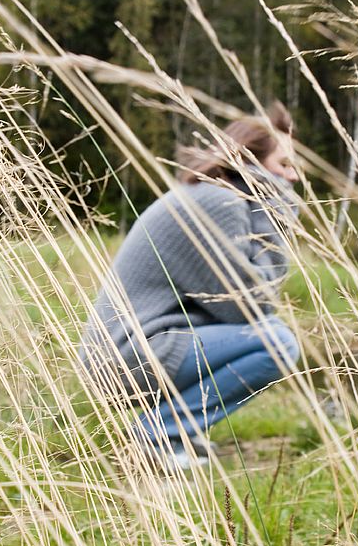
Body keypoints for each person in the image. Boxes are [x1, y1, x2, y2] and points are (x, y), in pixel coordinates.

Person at [78, 102, 302, 470]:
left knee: (273, 334)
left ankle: (172, 434)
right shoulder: (218, 202)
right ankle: (154, 437)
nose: (292, 179)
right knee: (277, 343)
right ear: (252, 165)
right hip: (125, 358)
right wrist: (274, 215)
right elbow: (247, 305)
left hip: (145, 348)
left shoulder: (216, 196)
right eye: (284, 165)